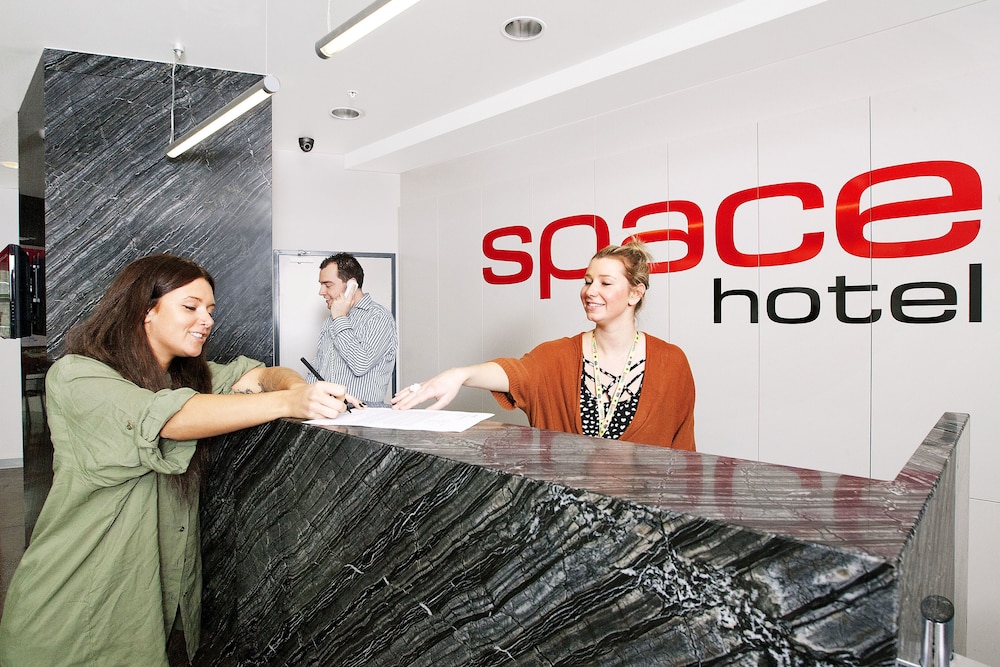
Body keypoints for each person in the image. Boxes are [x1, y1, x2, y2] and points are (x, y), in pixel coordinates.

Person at [0, 254, 358, 667]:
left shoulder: (187, 377)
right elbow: (168, 419)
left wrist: (298, 390)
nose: (206, 320)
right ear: (144, 309)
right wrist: (289, 402)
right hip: (75, 600)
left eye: (210, 310)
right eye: (190, 307)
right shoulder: (77, 375)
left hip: (148, 603)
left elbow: (262, 376)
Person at [392, 241, 696, 451]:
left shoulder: (671, 362)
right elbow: (515, 373)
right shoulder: (558, 356)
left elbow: (685, 452)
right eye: (587, 281)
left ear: (635, 294)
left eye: (605, 283)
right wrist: (459, 374)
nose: (590, 291)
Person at [307, 252, 398, 407]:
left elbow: (360, 364)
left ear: (352, 285)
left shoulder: (378, 317)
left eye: (328, 285)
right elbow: (318, 367)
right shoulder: (330, 320)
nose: (321, 292)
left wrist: (340, 318)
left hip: (362, 413)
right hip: (326, 410)